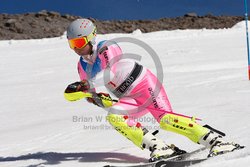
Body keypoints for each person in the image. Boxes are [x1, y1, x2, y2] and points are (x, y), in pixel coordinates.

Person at [64, 18, 243, 162]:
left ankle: (217, 141)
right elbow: (92, 92)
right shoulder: (81, 66)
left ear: (91, 37)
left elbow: (109, 73)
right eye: (72, 44)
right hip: (128, 96)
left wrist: (87, 86)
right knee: (115, 116)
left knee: (166, 119)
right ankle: (159, 147)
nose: (76, 48)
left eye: (79, 42)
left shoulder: (107, 47)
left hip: (144, 84)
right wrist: (87, 95)